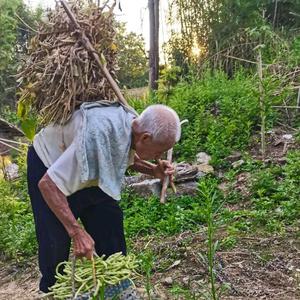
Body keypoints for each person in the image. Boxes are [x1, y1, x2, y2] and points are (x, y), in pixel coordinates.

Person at [27, 101, 181, 295]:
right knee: (55, 242)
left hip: (87, 166)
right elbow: (48, 185)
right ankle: (52, 293)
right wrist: (76, 232)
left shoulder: (132, 124)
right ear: (145, 137)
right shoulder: (96, 138)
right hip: (50, 165)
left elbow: (119, 153)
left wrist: (153, 170)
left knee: (109, 223)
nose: (158, 156)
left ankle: (116, 286)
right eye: (158, 151)